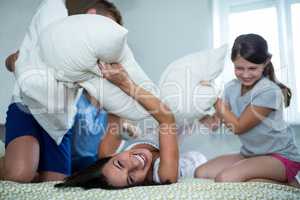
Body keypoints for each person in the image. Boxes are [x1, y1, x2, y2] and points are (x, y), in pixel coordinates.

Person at [0, 0, 128, 182]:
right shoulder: (55, 24)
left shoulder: (96, 63)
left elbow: (106, 149)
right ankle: (11, 163)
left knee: (54, 182)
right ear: (90, 16)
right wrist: (15, 63)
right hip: (29, 107)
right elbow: (16, 59)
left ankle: (32, 161)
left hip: (60, 123)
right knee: (20, 174)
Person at [55, 63, 207, 189]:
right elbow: (166, 119)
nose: (134, 164)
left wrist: (103, 77)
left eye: (120, 164)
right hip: (188, 163)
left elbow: (115, 112)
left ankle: (203, 119)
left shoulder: (106, 151)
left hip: (154, 142)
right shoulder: (164, 175)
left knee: (173, 121)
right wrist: (126, 83)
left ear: (111, 156)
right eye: (131, 179)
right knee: (187, 147)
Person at [195, 33, 300, 187]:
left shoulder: (269, 91)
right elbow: (214, 123)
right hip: (251, 155)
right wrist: (194, 109)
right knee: (201, 173)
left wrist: (214, 98)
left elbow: (239, 127)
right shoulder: (231, 87)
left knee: (225, 179)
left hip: (280, 157)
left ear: (266, 62)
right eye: (239, 68)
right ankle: (258, 174)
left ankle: (289, 184)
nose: (245, 74)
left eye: (252, 68)